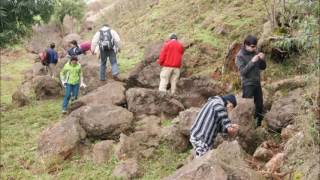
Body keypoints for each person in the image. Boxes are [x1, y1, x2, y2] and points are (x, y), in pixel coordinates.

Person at [236, 35, 266, 127]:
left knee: (259, 106)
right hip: (247, 84)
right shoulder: (240, 56)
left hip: (257, 82)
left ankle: (258, 126)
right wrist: (252, 62)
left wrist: (262, 59)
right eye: (252, 46)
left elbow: (263, 67)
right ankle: (246, 127)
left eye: (255, 46)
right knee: (247, 107)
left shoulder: (255, 52)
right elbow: (243, 72)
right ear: (246, 45)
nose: (254, 48)